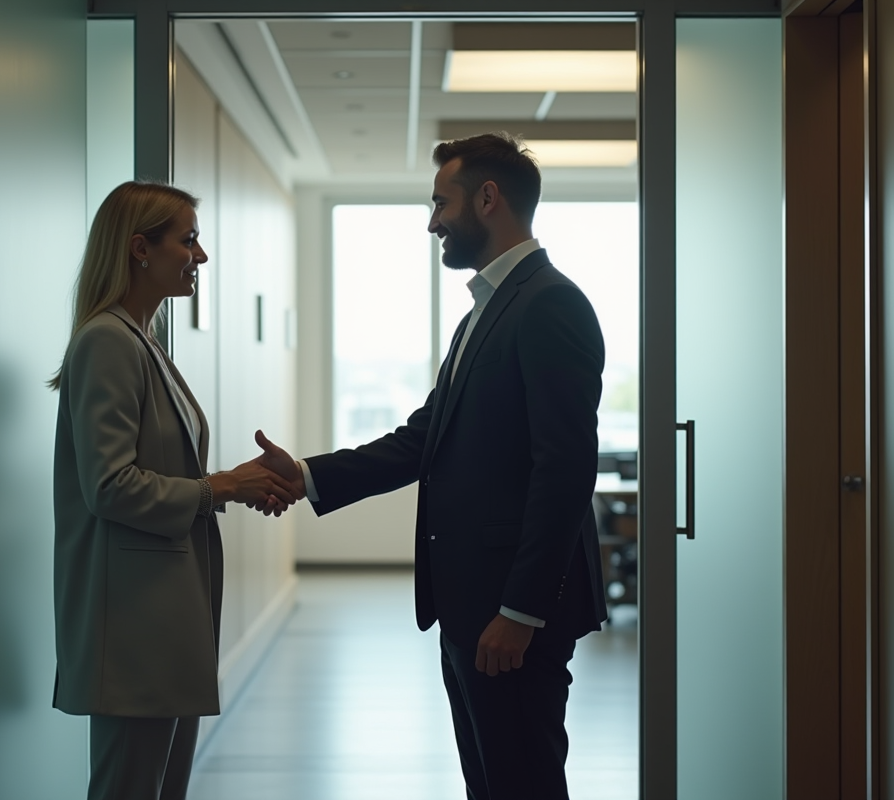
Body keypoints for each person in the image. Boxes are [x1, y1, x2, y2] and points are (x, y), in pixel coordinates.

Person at [257, 133, 608, 800]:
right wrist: (303, 475)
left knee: (522, 781)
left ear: (487, 198)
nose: (432, 221)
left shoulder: (548, 304)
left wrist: (522, 612)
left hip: (511, 614)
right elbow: (426, 438)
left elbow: (563, 471)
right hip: (472, 606)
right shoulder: (489, 309)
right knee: (492, 779)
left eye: (439, 203)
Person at [48, 181, 300, 800]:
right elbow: (109, 487)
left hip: (164, 616)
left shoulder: (142, 341)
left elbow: (167, 471)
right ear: (140, 248)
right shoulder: (108, 341)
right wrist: (220, 487)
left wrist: (236, 486)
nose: (201, 256)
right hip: (133, 623)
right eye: (188, 240)